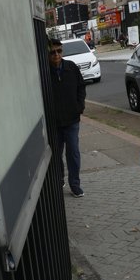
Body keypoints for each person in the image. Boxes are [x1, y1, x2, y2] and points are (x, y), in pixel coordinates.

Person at [49, 38, 86, 198]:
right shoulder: (45, 72)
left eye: (59, 51)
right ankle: (59, 180)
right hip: (55, 122)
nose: (56, 55)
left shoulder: (71, 67)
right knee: (56, 154)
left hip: (71, 120)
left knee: (73, 153)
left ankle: (75, 184)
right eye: (52, 52)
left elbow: (81, 87)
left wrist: (79, 106)